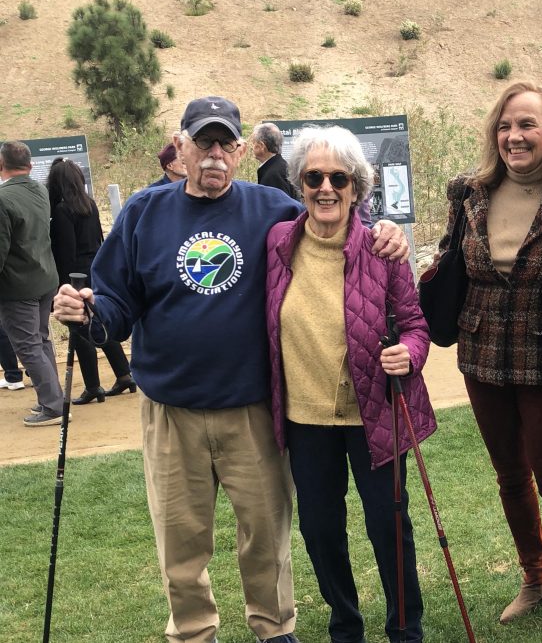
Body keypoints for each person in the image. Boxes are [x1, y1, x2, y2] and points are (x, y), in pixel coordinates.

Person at [52, 96, 408, 643]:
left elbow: (336, 222)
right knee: (180, 540)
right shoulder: (144, 213)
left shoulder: (272, 210)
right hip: (171, 410)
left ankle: (274, 629)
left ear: (242, 151)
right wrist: (89, 311)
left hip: (251, 409)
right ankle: (194, 632)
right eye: (203, 142)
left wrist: (386, 231)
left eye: (225, 144)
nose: (214, 155)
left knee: (266, 537)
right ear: (182, 146)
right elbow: (116, 307)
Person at [266, 126, 435, 643]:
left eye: (338, 178)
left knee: (389, 528)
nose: (325, 187)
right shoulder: (278, 243)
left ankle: (405, 629)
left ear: (356, 188)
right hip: (305, 420)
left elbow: (415, 325)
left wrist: (407, 355)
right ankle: (346, 625)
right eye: (313, 176)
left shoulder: (384, 250)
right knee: (319, 533)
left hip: (376, 414)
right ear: (299, 185)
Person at [439, 81, 542, 637]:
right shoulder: (468, 192)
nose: (514, 136)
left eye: (527, 124)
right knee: (509, 477)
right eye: (505, 125)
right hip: (481, 356)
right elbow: (453, 259)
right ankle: (535, 576)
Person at [46, 157, 135, 405]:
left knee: (80, 329)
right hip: (94, 267)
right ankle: (124, 373)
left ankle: (93, 385)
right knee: (99, 323)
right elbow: (99, 238)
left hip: (75, 274)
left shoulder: (63, 211)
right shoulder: (91, 204)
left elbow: (66, 252)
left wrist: (63, 283)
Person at [0, 140, 64, 427]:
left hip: (18, 286)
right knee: (41, 340)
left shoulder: (3, 199)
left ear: (2, 165)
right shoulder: (39, 188)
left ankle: (52, 405)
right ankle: (54, 398)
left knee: (27, 346)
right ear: (29, 164)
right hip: (45, 277)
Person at [253, 122, 299, 199]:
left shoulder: (273, 176)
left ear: (261, 146)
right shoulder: (280, 167)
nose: (252, 147)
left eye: (254, 142)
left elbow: (280, 208)